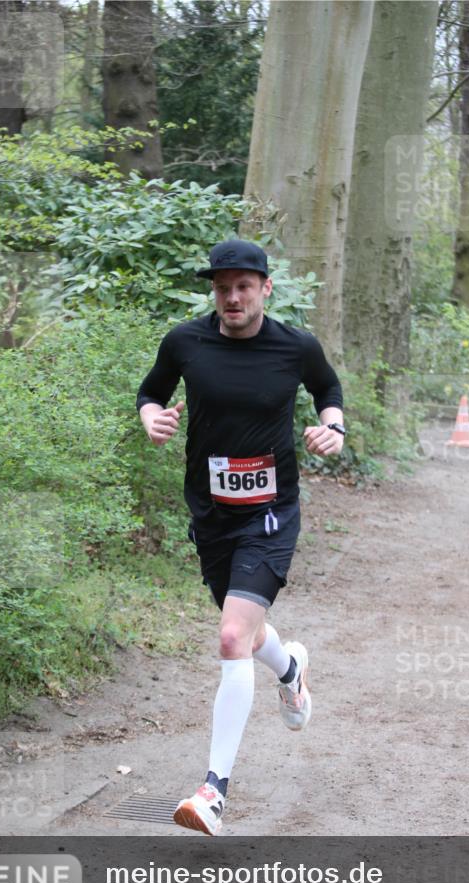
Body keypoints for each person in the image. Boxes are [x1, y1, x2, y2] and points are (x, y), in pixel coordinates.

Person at [137, 239, 345, 835]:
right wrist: (152, 418)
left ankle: (213, 792)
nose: (233, 297)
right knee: (248, 634)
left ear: (265, 289)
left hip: (270, 514)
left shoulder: (295, 346)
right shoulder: (185, 342)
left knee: (232, 637)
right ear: (215, 291)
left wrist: (333, 428)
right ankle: (291, 669)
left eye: (244, 287)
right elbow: (151, 392)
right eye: (223, 287)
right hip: (212, 515)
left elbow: (327, 391)